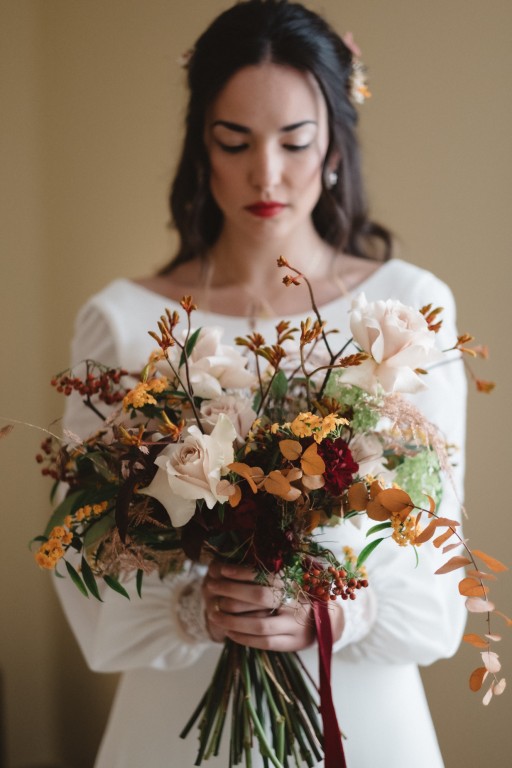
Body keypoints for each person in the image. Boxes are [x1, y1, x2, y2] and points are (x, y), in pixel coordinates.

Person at [56, 1, 467, 766]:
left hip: (361, 714)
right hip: (174, 721)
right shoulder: (120, 320)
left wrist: (338, 613)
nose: (266, 173)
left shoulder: (408, 310)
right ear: (199, 147)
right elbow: (81, 554)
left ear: (335, 145)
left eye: (296, 140)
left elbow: (436, 550)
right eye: (234, 141)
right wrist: (193, 611)